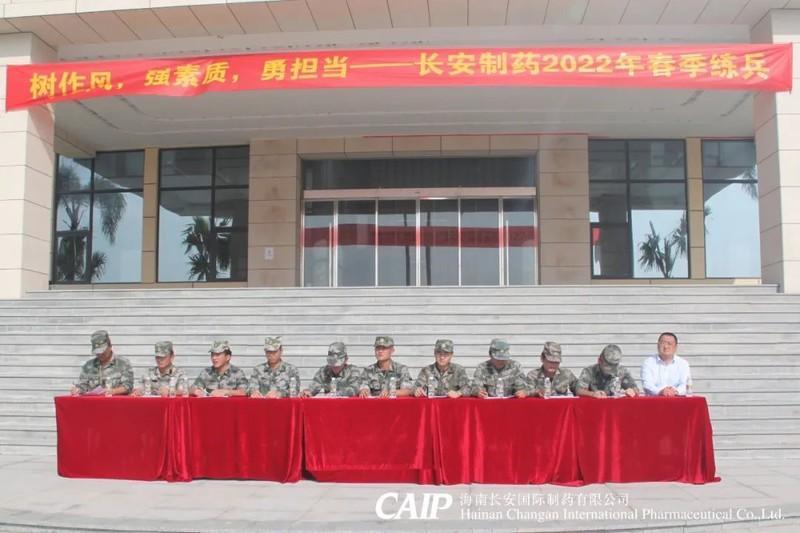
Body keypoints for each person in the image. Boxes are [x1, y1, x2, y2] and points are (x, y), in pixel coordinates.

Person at [70, 330, 133, 396]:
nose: (100, 354)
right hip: (93, 401)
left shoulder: (123, 364)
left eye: (103, 351)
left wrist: (113, 391)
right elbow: (82, 386)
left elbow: (128, 386)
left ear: (110, 346)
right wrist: (77, 390)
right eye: (97, 352)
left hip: (115, 401)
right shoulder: (88, 366)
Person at [641, 332, 692, 396]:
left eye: (669, 344)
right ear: (658, 345)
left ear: (675, 347)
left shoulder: (683, 364)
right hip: (654, 400)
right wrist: (661, 391)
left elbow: (685, 384)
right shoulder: (648, 362)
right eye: (663, 343)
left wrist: (676, 391)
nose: (666, 346)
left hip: (677, 399)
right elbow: (647, 384)